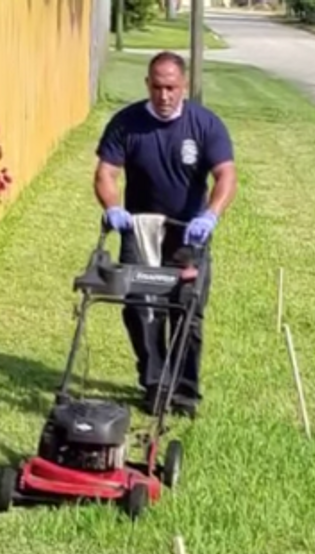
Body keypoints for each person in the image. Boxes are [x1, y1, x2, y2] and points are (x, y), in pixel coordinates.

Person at [92, 51, 237, 418]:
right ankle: (155, 383)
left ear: (184, 86)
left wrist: (210, 215)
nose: (164, 95)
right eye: (156, 87)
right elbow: (106, 173)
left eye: (171, 87)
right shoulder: (127, 124)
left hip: (189, 233)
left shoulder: (205, 125)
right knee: (139, 308)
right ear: (147, 85)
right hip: (140, 229)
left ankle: (185, 393)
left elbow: (226, 176)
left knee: (188, 308)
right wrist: (113, 207)